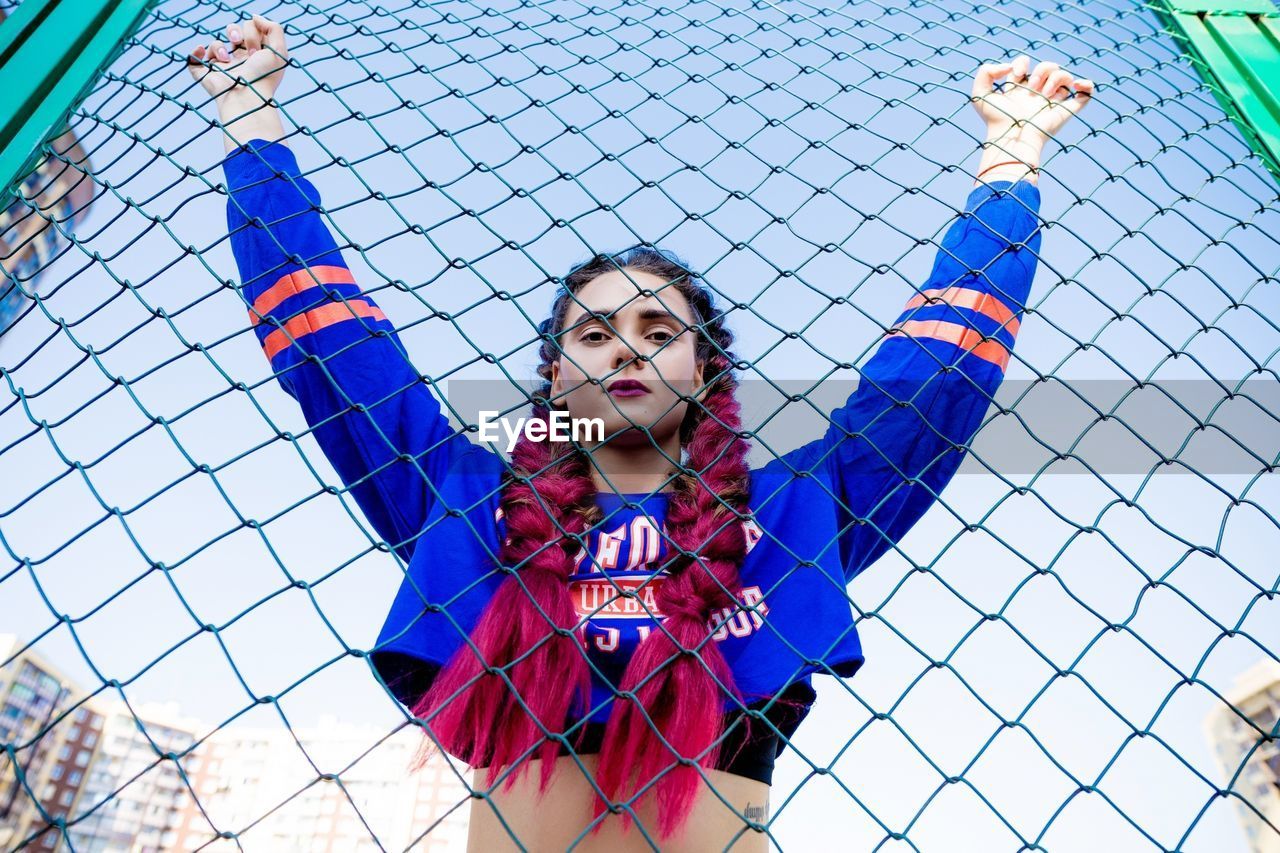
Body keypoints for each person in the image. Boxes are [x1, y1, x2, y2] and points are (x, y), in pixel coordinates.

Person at [190, 14, 1093, 851]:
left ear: (705, 373)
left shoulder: (788, 509)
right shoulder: (467, 495)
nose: (627, 347)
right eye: (593, 332)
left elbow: (935, 376)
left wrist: (1010, 158)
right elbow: (332, 343)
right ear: (553, 378)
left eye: (661, 333)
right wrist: (250, 122)